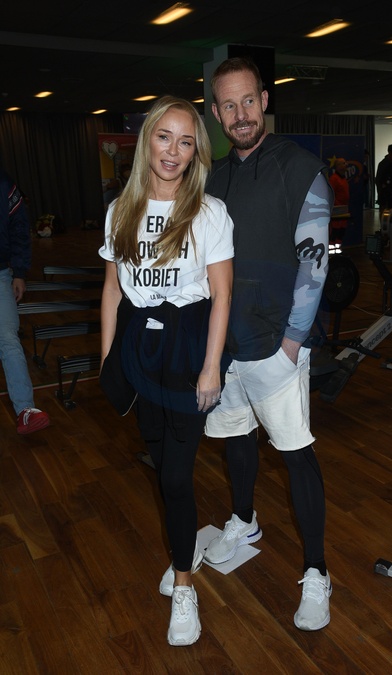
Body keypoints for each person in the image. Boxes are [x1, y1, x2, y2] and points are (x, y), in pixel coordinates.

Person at [203, 57, 333, 632]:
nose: (241, 115)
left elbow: (315, 266)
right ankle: (244, 519)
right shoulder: (213, 180)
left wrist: (292, 346)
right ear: (216, 112)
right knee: (235, 439)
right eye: (229, 105)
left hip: (278, 345)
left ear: (265, 100)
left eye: (248, 101)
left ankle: (317, 571)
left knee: (295, 453)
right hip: (225, 345)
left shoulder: (300, 168)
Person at [98, 95, 234, 646]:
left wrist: (211, 368)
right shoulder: (120, 211)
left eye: (186, 141)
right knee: (160, 466)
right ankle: (184, 548)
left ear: (196, 151)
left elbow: (222, 295)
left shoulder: (209, 212)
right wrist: (109, 358)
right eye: (164, 137)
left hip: (189, 347)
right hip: (140, 348)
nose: (173, 151)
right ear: (147, 141)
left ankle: (184, 583)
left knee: (176, 477)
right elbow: (113, 290)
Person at [0, 169, 50, 434]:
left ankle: (26, 410)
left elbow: (19, 226)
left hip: (0, 274)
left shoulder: (3, 183)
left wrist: (19, 272)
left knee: (8, 339)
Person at [328, 157, 350, 246]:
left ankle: (337, 250)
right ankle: (331, 250)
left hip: (343, 211)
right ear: (338, 166)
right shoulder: (334, 179)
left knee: (341, 233)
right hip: (336, 212)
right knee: (334, 233)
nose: (346, 165)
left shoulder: (343, 178)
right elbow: (330, 195)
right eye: (344, 163)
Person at [375, 144, 392, 220]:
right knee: (385, 215)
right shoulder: (384, 165)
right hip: (386, 194)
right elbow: (379, 180)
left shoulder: (384, 164)